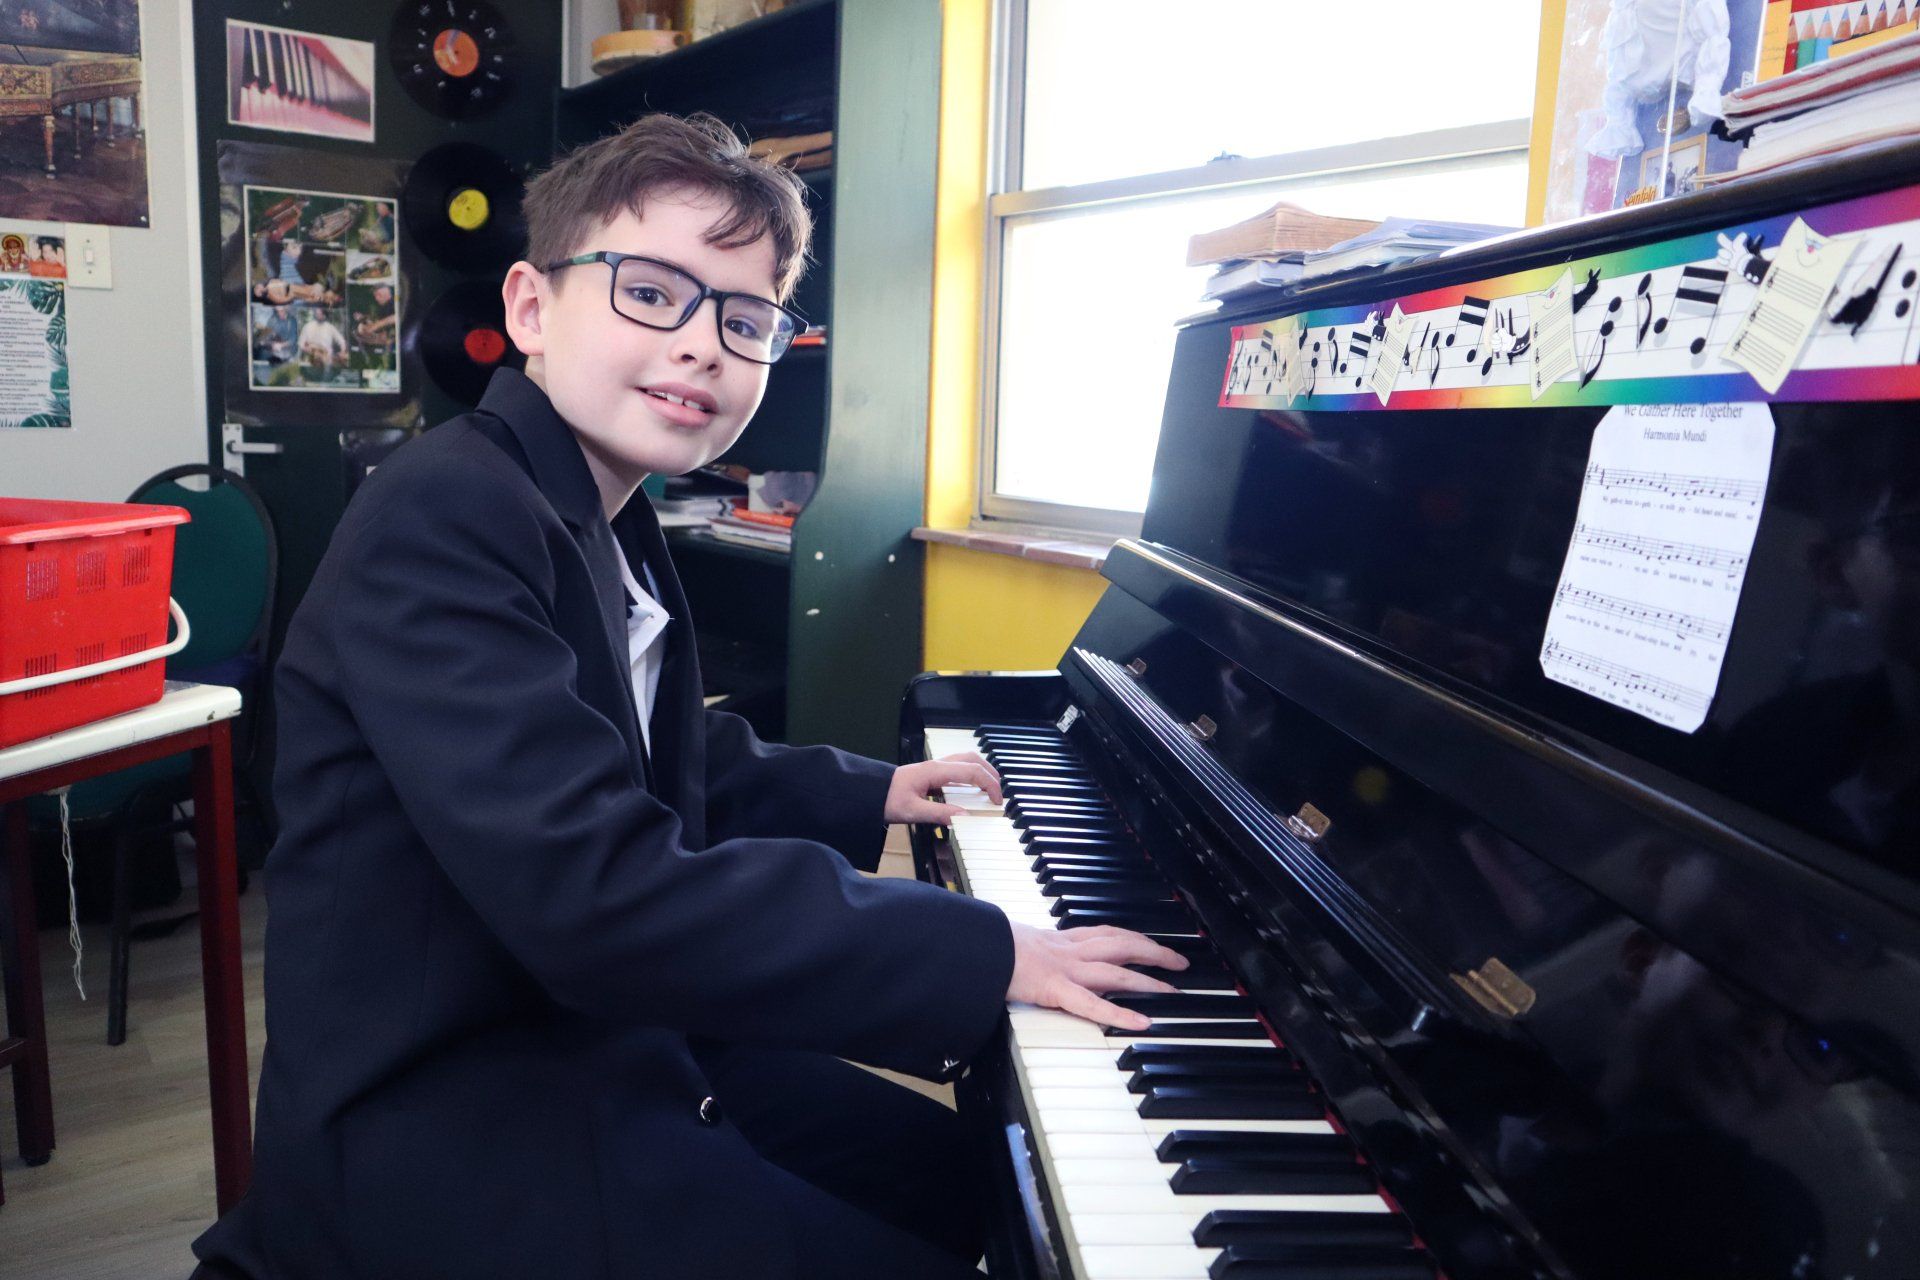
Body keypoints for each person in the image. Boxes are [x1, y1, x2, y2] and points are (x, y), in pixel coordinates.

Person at [189, 112, 1182, 1280]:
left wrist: (875, 790)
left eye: (746, 317)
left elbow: (654, 754)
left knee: (977, 1184)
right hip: (459, 1104)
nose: (705, 343)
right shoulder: (444, 510)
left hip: (604, 1031)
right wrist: (982, 951)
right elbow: (598, 890)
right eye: (652, 291)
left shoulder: (611, 512)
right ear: (529, 309)